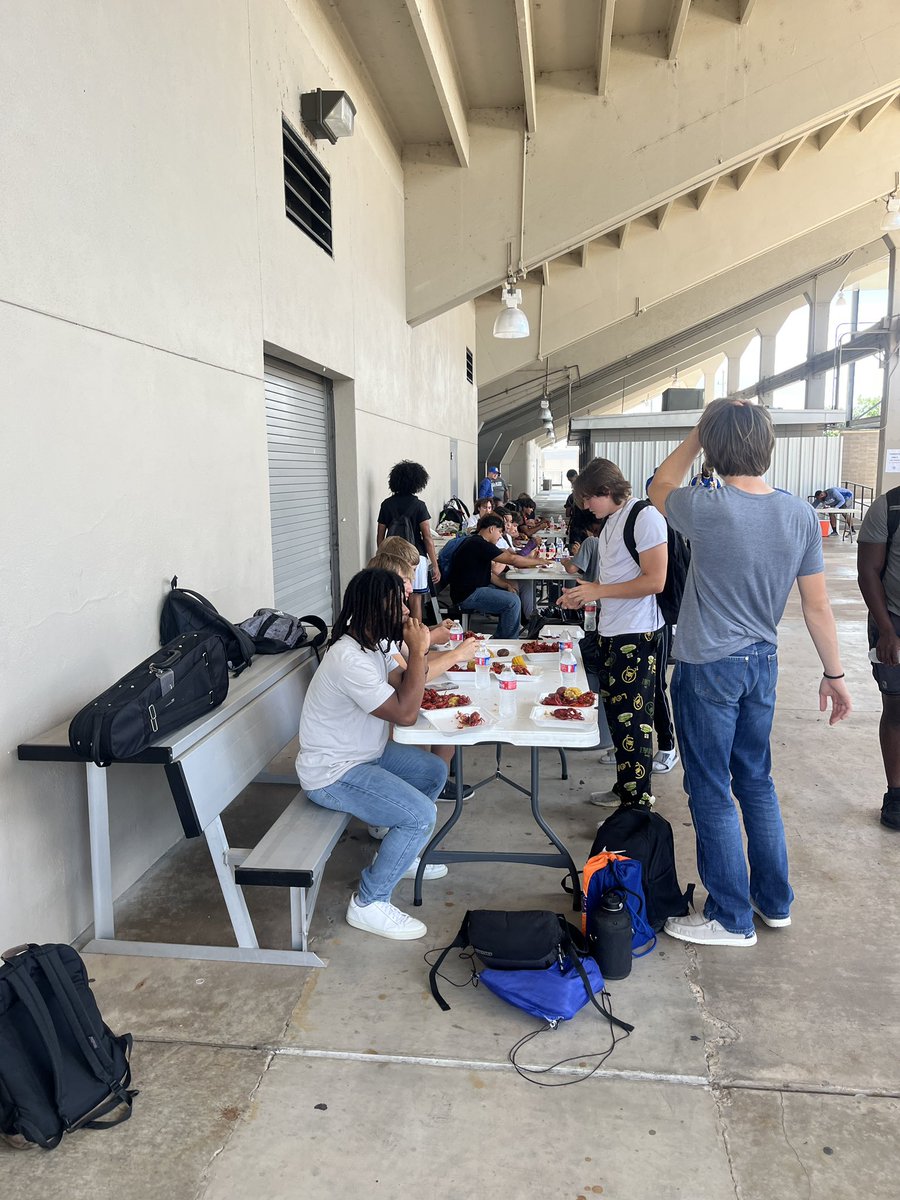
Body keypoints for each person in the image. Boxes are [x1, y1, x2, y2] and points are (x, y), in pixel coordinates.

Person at [648, 399, 851, 948]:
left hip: (708, 666)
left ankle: (730, 917)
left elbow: (657, 486)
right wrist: (834, 673)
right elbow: (816, 606)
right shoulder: (800, 514)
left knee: (710, 789)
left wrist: (697, 435)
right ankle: (773, 901)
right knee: (756, 782)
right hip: (762, 663)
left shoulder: (708, 507)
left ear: (713, 449)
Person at [296, 569, 448, 941]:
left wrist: (414, 651)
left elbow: (403, 685)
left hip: (365, 754)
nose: (403, 610)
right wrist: (418, 650)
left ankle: (397, 851)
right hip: (333, 772)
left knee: (431, 772)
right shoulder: (349, 659)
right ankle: (369, 902)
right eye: (395, 602)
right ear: (371, 609)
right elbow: (405, 713)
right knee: (420, 816)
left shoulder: (375, 644)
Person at [560, 459, 668, 809]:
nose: (587, 507)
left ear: (606, 491)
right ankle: (625, 790)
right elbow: (612, 582)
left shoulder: (645, 517)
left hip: (636, 636)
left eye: (589, 499)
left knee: (636, 726)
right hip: (612, 632)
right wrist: (585, 591)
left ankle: (636, 810)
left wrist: (598, 592)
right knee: (619, 721)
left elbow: (655, 580)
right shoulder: (610, 525)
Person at [368, 538, 476, 802]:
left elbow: (410, 655)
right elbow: (409, 674)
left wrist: (429, 638)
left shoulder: (384, 619)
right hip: (376, 719)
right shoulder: (369, 630)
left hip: (385, 705)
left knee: (449, 712)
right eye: (408, 576)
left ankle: (433, 781)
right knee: (427, 719)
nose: (412, 583)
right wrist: (455, 654)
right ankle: (425, 786)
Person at [857, 490, 900, 829]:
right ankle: (896, 795)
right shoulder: (888, 507)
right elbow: (868, 571)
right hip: (893, 623)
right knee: (897, 709)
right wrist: (886, 631)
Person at [448, 513, 547, 638]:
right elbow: (513, 559)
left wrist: (506, 585)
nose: (500, 536)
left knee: (513, 593)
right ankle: (507, 641)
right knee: (513, 602)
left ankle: (504, 635)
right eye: (500, 532)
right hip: (467, 595)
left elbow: (488, 574)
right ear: (491, 529)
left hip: (475, 589)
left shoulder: (476, 542)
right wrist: (540, 561)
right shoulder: (480, 544)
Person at [377, 460, 440, 621]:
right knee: (415, 600)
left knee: (392, 599)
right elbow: (427, 537)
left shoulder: (386, 505)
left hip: (392, 558)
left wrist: (383, 556)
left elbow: (380, 535)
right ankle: (416, 635)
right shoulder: (419, 505)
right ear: (418, 482)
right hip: (416, 557)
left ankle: (393, 634)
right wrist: (435, 564)